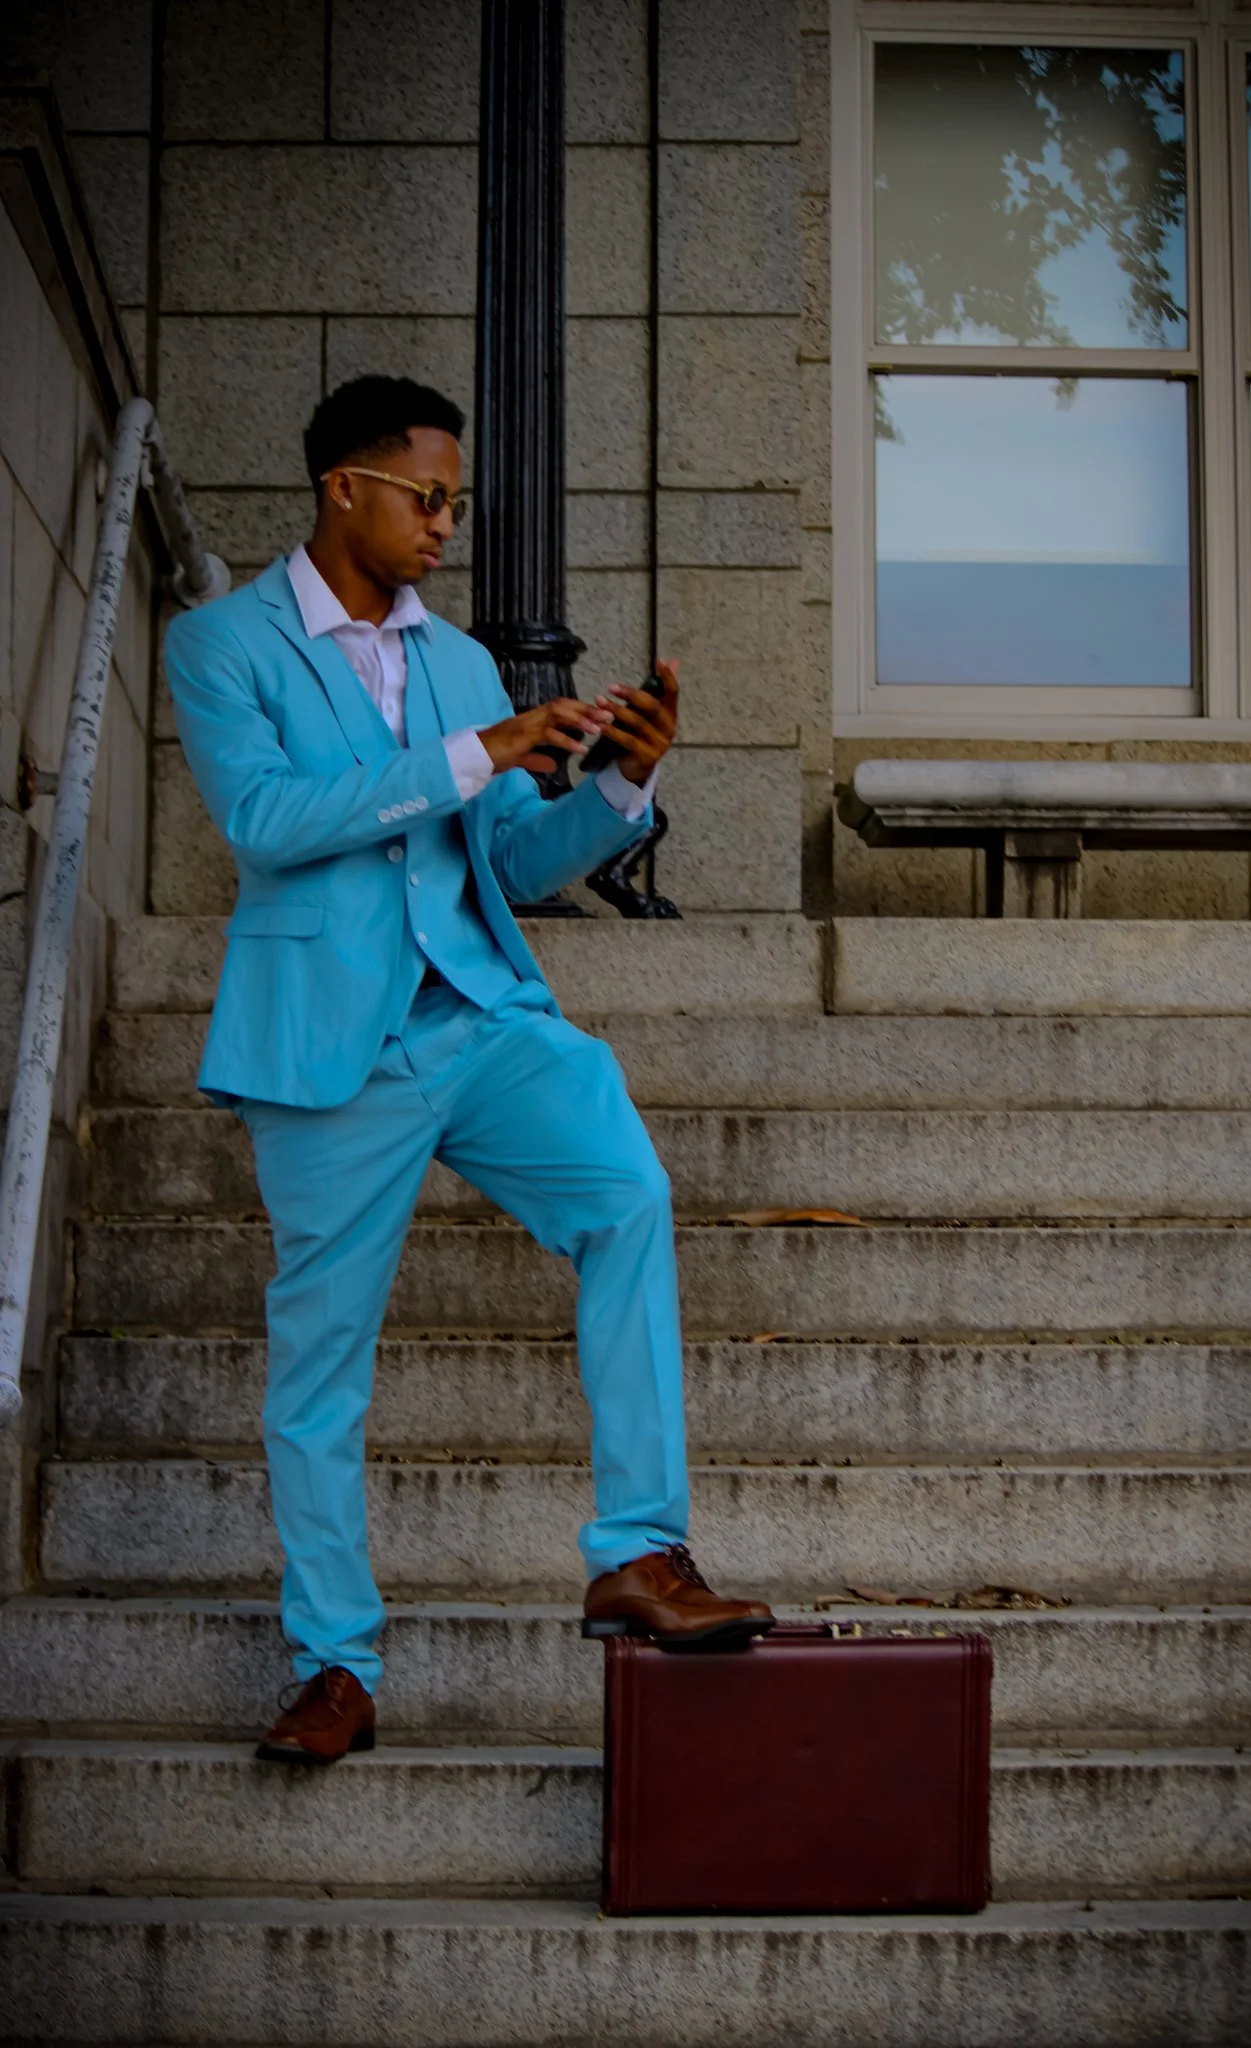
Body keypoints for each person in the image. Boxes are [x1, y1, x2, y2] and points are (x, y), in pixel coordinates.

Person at [164, 375, 773, 1765]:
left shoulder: (460, 662)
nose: (447, 524)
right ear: (345, 488)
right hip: (330, 1049)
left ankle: (640, 1553)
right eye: (426, 497)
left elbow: (500, 856)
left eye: (458, 502)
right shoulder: (224, 645)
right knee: (321, 1370)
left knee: (626, 1192)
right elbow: (264, 821)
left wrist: (617, 790)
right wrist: (474, 751)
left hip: (480, 1015)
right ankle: (334, 1665)